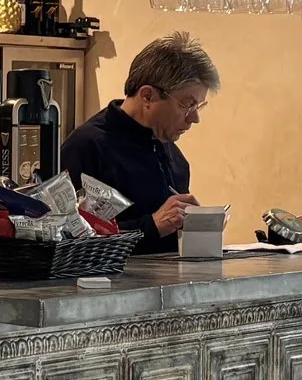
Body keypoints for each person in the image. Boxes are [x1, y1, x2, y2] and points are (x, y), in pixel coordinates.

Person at [60, 32, 218, 255]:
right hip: (105, 288)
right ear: (147, 96)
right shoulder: (86, 148)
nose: (194, 118)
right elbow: (63, 240)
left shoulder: (176, 158)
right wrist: (151, 226)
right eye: (186, 105)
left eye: (198, 108)